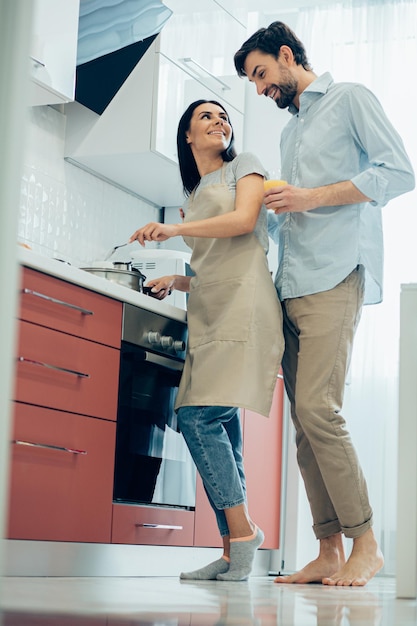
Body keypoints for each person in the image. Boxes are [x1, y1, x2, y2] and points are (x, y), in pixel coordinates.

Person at [234, 21, 415, 587]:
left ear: (287, 56)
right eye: (253, 84)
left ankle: (368, 544)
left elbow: (399, 171)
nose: (261, 90)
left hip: (337, 273)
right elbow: (294, 211)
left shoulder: (350, 98)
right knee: (305, 427)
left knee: (319, 409)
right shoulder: (292, 134)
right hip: (292, 283)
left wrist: (312, 196)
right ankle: (329, 550)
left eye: (262, 75)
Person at [129, 99, 284, 581]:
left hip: (244, 304)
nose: (219, 121)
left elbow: (242, 225)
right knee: (225, 429)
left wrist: (174, 230)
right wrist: (180, 282)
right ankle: (229, 551)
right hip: (210, 310)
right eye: (206, 117)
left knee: (198, 416)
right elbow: (214, 262)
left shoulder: (247, 167)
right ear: (188, 136)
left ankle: (243, 534)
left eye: (223, 116)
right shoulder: (193, 197)